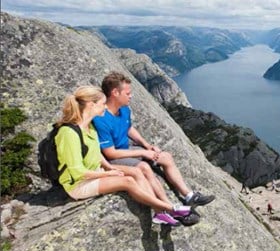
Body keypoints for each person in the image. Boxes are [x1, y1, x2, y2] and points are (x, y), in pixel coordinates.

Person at [55, 86, 192, 225]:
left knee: (137, 171)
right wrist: (107, 174)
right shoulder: (68, 133)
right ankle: (170, 208)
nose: (105, 107)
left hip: (96, 171)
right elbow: (78, 172)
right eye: (102, 104)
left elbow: (95, 153)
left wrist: (109, 168)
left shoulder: (89, 127)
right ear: (91, 105)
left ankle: (159, 213)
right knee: (128, 182)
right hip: (79, 184)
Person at [92, 72, 214, 207]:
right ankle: (168, 207)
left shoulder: (123, 109)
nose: (131, 96)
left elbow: (128, 128)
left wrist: (147, 145)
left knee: (166, 157)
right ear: (115, 92)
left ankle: (189, 196)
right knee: (144, 167)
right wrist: (143, 153)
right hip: (115, 157)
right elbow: (111, 153)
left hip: (127, 149)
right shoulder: (101, 118)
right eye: (127, 93)